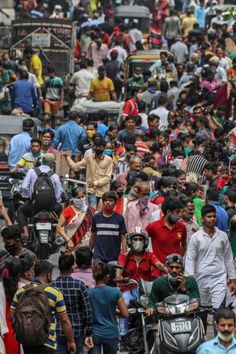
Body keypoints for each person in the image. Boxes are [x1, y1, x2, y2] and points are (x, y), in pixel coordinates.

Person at [185, 205, 236, 332]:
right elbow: (190, 258)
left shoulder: (223, 236)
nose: (212, 219)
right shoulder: (196, 237)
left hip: (219, 278)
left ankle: (217, 344)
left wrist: (233, 279)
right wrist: (189, 278)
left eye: (214, 216)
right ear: (203, 219)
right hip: (200, 279)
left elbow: (228, 258)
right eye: (209, 217)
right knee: (201, 311)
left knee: (218, 312)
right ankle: (202, 343)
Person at [10, 260, 77, 354]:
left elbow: (11, 316)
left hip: (27, 342)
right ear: (49, 275)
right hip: (47, 342)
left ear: (34, 273)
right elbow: (64, 320)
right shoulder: (55, 292)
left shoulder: (21, 291)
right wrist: (71, 341)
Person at [116, 228, 166, 350]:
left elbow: (159, 264)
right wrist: (119, 276)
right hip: (128, 289)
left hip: (145, 291)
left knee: (158, 306)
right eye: (135, 239)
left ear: (145, 242)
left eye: (140, 239)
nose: (138, 242)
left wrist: (169, 272)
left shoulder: (149, 255)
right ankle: (123, 337)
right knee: (125, 305)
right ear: (130, 242)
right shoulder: (124, 256)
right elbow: (119, 267)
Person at [52, 251, 93, 354]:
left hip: (58, 329)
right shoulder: (79, 285)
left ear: (59, 267)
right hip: (77, 329)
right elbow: (87, 311)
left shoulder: (52, 286)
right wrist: (89, 332)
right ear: (72, 268)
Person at [17, 153, 63, 238]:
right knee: (60, 209)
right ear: (52, 163)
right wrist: (57, 201)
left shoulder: (32, 171)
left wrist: (26, 196)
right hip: (50, 207)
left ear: (41, 161)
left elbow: (24, 187)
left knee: (21, 210)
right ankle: (57, 232)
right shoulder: (54, 175)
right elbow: (58, 194)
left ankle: (26, 232)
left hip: (34, 206)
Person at [88, 261, 128, 354]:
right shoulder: (115, 292)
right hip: (111, 333)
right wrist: (114, 311)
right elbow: (125, 314)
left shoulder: (88, 292)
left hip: (94, 334)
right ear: (107, 276)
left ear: (94, 276)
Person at [65, 138, 113, 209]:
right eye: (96, 147)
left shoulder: (109, 160)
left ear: (104, 148)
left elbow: (108, 177)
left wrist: (95, 183)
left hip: (103, 192)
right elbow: (75, 167)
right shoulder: (89, 158)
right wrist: (67, 158)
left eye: (100, 147)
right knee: (92, 211)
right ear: (93, 147)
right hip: (92, 191)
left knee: (102, 212)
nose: (98, 149)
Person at [146, 197, 186, 276]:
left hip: (176, 271)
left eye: (181, 212)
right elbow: (142, 241)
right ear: (168, 212)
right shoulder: (153, 227)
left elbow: (184, 244)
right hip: (158, 272)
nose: (180, 215)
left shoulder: (182, 227)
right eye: (177, 212)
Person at [89, 191, 127, 263]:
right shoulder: (96, 218)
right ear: (102, 202)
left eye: (110, 200)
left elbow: (123, 238)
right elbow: (93, 236)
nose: (108, 202)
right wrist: (89, 251)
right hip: (98, 256)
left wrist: (124, 254)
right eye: (106, 200)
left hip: (114, 256)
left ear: (115, 203)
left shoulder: (119, 218)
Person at [56, 186, 95, 251]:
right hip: (72, 245)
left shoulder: (91, 210)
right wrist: (68, 240)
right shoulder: (68, 210)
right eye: (78, 197)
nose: (81, 199)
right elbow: (59, 227)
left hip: (87, 246)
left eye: (83, 196)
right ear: (73, 198)